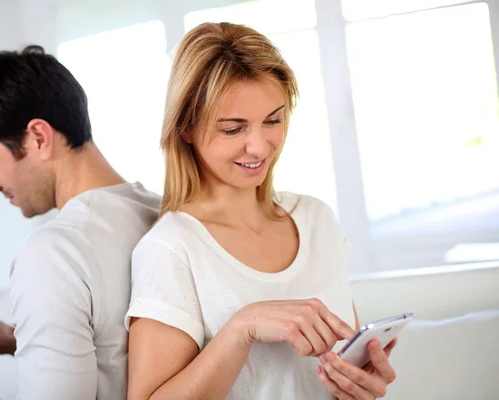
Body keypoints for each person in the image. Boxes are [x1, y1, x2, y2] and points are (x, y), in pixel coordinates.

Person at [125, 22, 398, 400]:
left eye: (273, 120)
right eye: (233, 129)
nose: (259, 147)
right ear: (186, 127)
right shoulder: (172, 248)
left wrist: (359, 385)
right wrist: (242, 326)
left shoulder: (316, 219)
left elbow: (331, 369)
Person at [0, 45, 160, 400]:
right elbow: (115, 354)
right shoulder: (159, 211)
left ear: (39, 137)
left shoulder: (53, 253)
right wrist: (14, 339)